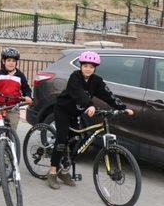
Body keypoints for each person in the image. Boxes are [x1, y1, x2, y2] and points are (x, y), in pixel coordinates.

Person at [46, 51, 133, 190]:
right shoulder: (75, 77)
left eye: (91, 67)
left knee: (76, 140)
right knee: (62, 140)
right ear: (81, 66)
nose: (88, 69)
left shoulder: (96, 80)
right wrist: (90, 105)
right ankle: (52, 171)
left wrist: (123, 107)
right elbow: (78, 93)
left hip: (76, 113)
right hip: (63, 110)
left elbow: (108, 95)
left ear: (95, 68)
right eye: (85, 65)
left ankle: (64, 171)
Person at [0, 47, 32, 131]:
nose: (11, 63)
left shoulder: (20, 76)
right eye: (8, 60)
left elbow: (26, 89)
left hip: (13, 107)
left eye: (13, 61)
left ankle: (11, 143)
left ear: (16, 63)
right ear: (3, 61)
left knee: (11, 131)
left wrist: (28, 96)